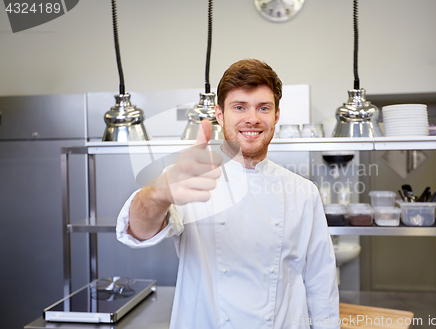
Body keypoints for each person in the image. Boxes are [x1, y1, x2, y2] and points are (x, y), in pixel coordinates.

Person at [116, 59, 340, 329]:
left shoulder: (303, 192)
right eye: (239, 107)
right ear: (220, 115)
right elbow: (138, 232)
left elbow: (320, 284)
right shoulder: (191, 178)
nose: (252, 118)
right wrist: (157, 194)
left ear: (276, 116)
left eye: (263, 108)